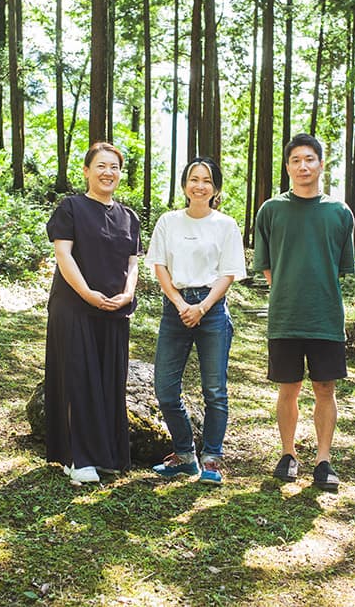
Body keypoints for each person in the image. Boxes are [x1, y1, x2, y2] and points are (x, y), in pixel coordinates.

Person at [253, 133, 355, 492]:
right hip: (285, 316)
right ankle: (287, 453)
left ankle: (324, 460)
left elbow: (340, 268)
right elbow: (267, 267)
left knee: (325, 388)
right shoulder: (271, 210)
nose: (303, 166)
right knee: (288, 388)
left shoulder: (339, 213)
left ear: (320, 164)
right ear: (288, 166)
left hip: (326, 317)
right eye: (296, 160)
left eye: (309, 159)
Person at [44, 141, 140, 486]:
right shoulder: (70, 208)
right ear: (86, 171)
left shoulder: (129, 217)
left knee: (110, 379)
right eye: (101, 166)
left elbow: (132, 263)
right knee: (79, 378)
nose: (108, 173)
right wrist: (87, 294)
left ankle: (107, 455)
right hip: (74, 307)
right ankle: (77, 458)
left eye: (114, 167)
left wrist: (127, 294)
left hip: (115, 309)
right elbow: (63, 256)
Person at [147, 157, 247, 485]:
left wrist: (202, 307)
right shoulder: (169, 222)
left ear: (215, 187)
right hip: (174, 308)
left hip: (213, 309)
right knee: (165, 388)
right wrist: (179, 303)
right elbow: (160, 266)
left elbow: (228, 273)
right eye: (193, 178)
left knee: (214, 389)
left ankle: (212, 459)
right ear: (184, 184)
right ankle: (185, 455)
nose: (199, 185)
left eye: (206, 180)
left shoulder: (226, 225)